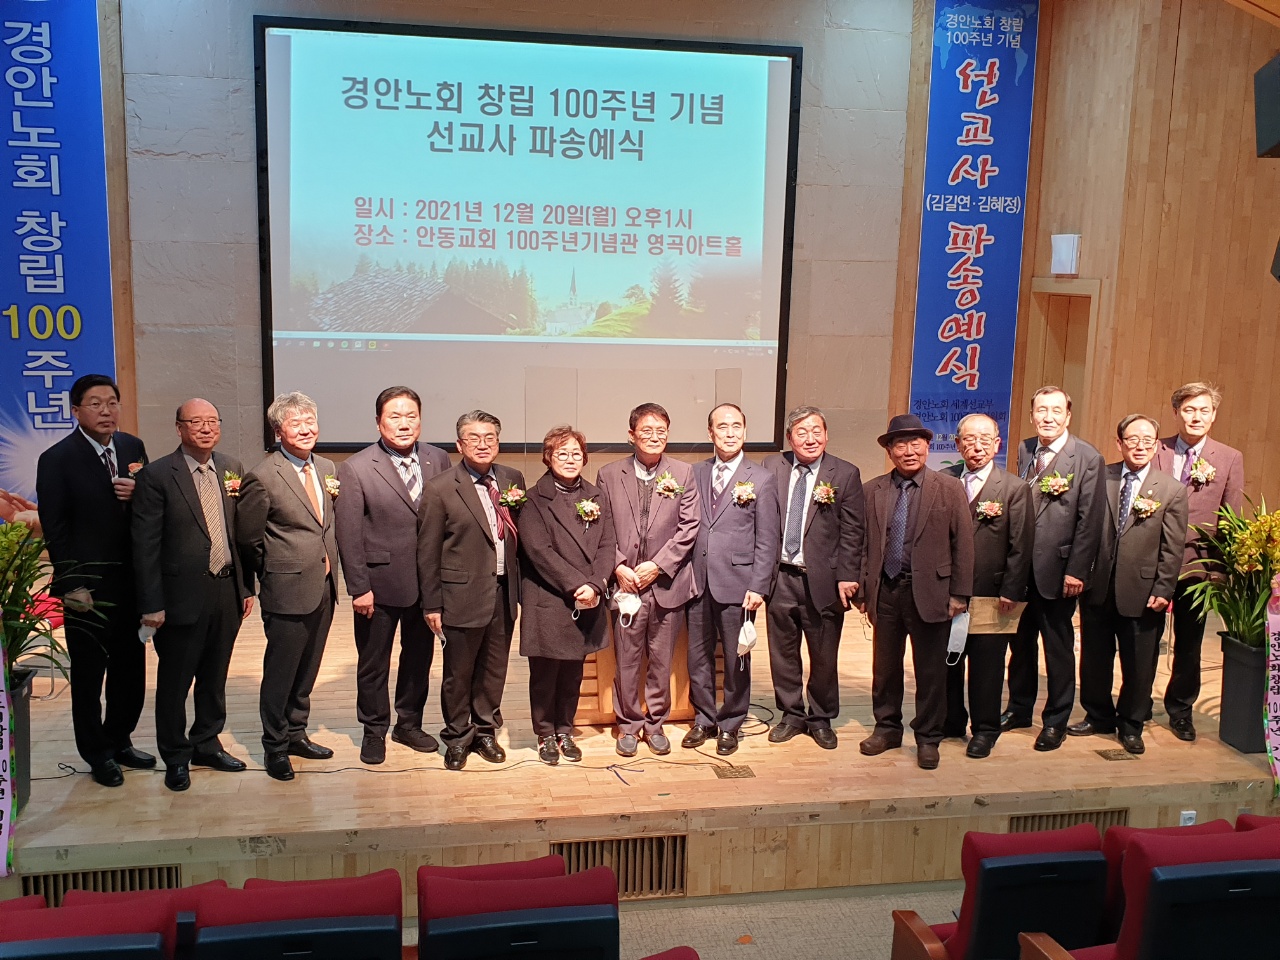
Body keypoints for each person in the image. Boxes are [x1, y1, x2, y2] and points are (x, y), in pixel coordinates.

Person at [35, 374, 151, 787]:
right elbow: (55, 527)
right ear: (76, 411)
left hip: (131, 582)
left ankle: (120, 739)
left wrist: (139, 493)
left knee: (130, 670)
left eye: (112, 402)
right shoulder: (57, 458)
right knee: (88, 675)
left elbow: (150, 506)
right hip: (87, 589)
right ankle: (96, 752)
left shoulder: (133, 447)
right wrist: (72, 584)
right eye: (96, 404)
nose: (106, 411)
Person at [132, 399, 253, 791]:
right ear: (179, 427)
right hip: (178, 597)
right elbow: (145, 546)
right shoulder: (156, 475)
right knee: (175, 682)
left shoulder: (232, 467)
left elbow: (240, 533)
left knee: (214, 678)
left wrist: (246, 587)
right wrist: (151, 604)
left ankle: (207, 743)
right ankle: (175, 755)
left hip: (226, 589)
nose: (206, 428)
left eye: (212, 421)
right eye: (196, 422)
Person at [334, 386, 451, 765]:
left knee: (419, 659)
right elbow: (348, 534)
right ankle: (373, 730)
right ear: (378, 422)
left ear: (421, 420)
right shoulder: (357, 467)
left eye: (411, 416)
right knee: (374, 664)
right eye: (394, 417)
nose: (404, 424)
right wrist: (359, 588)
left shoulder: (438, 458)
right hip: (378, 584)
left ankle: (409, 724)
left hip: (427, 584)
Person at [858, 414, 973, 770]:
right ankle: (887, 728)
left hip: (932, 592)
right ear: (889, 451)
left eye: (915, 443)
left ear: (926, 447)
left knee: (931, 671)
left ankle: (928, 737)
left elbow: (964, 544)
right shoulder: (872, 490)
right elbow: (863, 545)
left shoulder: (949, 488)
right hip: (886, 591)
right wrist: (864, 590)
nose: (909, 451)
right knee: (885, 669)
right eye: (900, 445)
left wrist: (960, 594)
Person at [237, 392, 340, 782]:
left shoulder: (327, 467)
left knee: (309, 667)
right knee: (281, 672)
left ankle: (297, 733)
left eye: (310, 421)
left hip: (324, 584)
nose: (306, 429)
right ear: (278, 431)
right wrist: (274, 573)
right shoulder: (264, 475)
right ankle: (275, 746)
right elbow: (248, 538)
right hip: (286, 589)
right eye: (296, 423)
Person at [1071, 415, 1188, 754]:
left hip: (1143, 591)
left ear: (1156, 446)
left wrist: (1164, 589)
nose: (1140, 446)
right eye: (1132, 439)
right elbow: (1083, 529)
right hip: (1097, 586)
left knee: (1139, 664)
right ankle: (1097, 716)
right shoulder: (1100, 478)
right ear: (1119, 443)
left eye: (1147, 441)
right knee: (1094, 658)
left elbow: (1172, 547)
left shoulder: (1171, 489)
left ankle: (1131, 724)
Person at [417, 410, 525, 771]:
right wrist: (431, 603)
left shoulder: (512, 479)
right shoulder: (440, 487)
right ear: (459, 444)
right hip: (459, 596)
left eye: (490, 437)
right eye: (474, 438)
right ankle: (457, 737)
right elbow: (427, 551)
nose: (483, 444)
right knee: (458, 673)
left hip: (503, 592)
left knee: (494, 669)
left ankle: (484, 732)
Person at [1004, 386, 1106, 751]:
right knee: (1020, 645)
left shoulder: (1087, 457)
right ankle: (1019, 709)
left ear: (1068, 415)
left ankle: (1055, 721)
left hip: (1059, 570)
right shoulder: (1025, 448)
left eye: (1056, 410)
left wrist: (1077, 570)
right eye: (1041, 410)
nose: (1048, 417)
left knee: (1058, 649)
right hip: (1021, 570)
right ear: (1032, 415)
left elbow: (1090, 521)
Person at [596, 403, 700, 757]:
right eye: (647, 431)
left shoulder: (683, 473)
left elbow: (689, 528)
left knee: (661, 660)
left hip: (667, 583)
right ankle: (628, 724)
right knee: (626, 659)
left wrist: (658, 565)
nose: (655, 437)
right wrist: (618, 566)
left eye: (661, 431)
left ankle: (655, 724)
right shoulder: (609, 474)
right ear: (631, 435)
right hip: (626, 584)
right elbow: (602, 528)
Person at [763, 405, 864, 749]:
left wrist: (848, 575)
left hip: (824, 581)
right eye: (802, 432)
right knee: (782, 653)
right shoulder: (771, 467)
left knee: (824, 655)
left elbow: (854, 531)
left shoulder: (845, 473)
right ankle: (791, 714)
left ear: (827, 435)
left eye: (816, 431)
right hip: (780, 577)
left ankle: (820, 718)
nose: (810, 438)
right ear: (789, 438)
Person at [516, 425, 616, 765]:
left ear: (584, 458)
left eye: (576, 453)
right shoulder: (534, 499)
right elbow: (539, 552)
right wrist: (577, 585)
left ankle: (565, 730)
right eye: (562, 454)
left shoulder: (596, 496)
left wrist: (597, 584)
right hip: (549, 597)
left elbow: (608, 545)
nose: (570, 459)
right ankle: (545, 733)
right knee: (545, 674)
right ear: (548, 458)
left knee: (573, 673)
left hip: (588, 596)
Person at [686, 403, 780, 756]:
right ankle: (704, 718)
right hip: (697, 580)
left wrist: (759, 585)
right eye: (722, 426)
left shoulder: (761, 478)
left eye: (736, 426)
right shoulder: (694, 473)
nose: (729, 432)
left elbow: (767, 538)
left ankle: (731, 722)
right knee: (698, 656)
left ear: (744, 430)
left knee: (737, 656)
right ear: (710, 433)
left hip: (739, 584)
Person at [1153, 382, 1244, 741]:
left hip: (1198, 565)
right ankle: (1135, 706)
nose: (1196, 417)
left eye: (1204, 410)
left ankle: (1180, 710)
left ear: (1214, 415)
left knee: (1189, 644)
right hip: (1150, 561)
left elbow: (1230, 517)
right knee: (1144, 639)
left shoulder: (1229, 457)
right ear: (1176, 413)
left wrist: (1220, 568)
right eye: (1189, 410)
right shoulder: (1155, 449)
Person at [940, 414, 1033, 758]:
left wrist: (1012, 590)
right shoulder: (944, 482)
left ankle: (985, 729)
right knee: (947, 662)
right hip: (948, 593)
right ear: (957, 444)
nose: (976, 446)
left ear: (997, 444)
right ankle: (950, 721)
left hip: (992, 595)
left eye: (984, 439)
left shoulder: (1013, 488)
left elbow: (1021, 545)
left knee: (986, 668)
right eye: (969, 439)